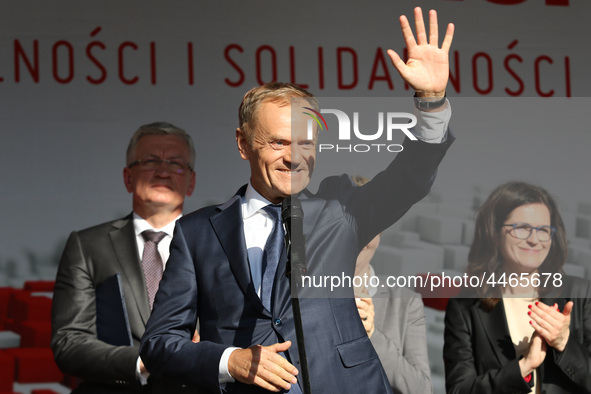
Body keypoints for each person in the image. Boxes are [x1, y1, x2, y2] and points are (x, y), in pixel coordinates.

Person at [141, 7, 454, 394]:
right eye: (278, 142)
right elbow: (159, 344)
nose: (294, 156)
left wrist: (431, 100)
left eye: (306, 142)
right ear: (243, 143)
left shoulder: (343, 209)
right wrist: (229, 360)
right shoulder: (198, 233)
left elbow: (410, 177)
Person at [51, 122, 197, 393]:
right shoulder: (87, 245)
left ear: (191, 182)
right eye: (151, 161)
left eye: (176, 163)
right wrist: (143, 363)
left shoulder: (215, 244)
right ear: (128, 177)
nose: (163, 171)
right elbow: (69, 342)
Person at [443, 181, 591, 394]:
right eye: (521, 228)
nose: (534, 240)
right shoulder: (465, 308)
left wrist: (564, 343)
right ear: (494, 233)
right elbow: (459, 390)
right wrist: (523, 367)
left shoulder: (580, 294)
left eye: (543, 230)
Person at [351, 176, 432, 394]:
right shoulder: (305, 293)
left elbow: (422, 389)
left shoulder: (406, 303)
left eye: (370, 225)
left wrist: (372, 335)